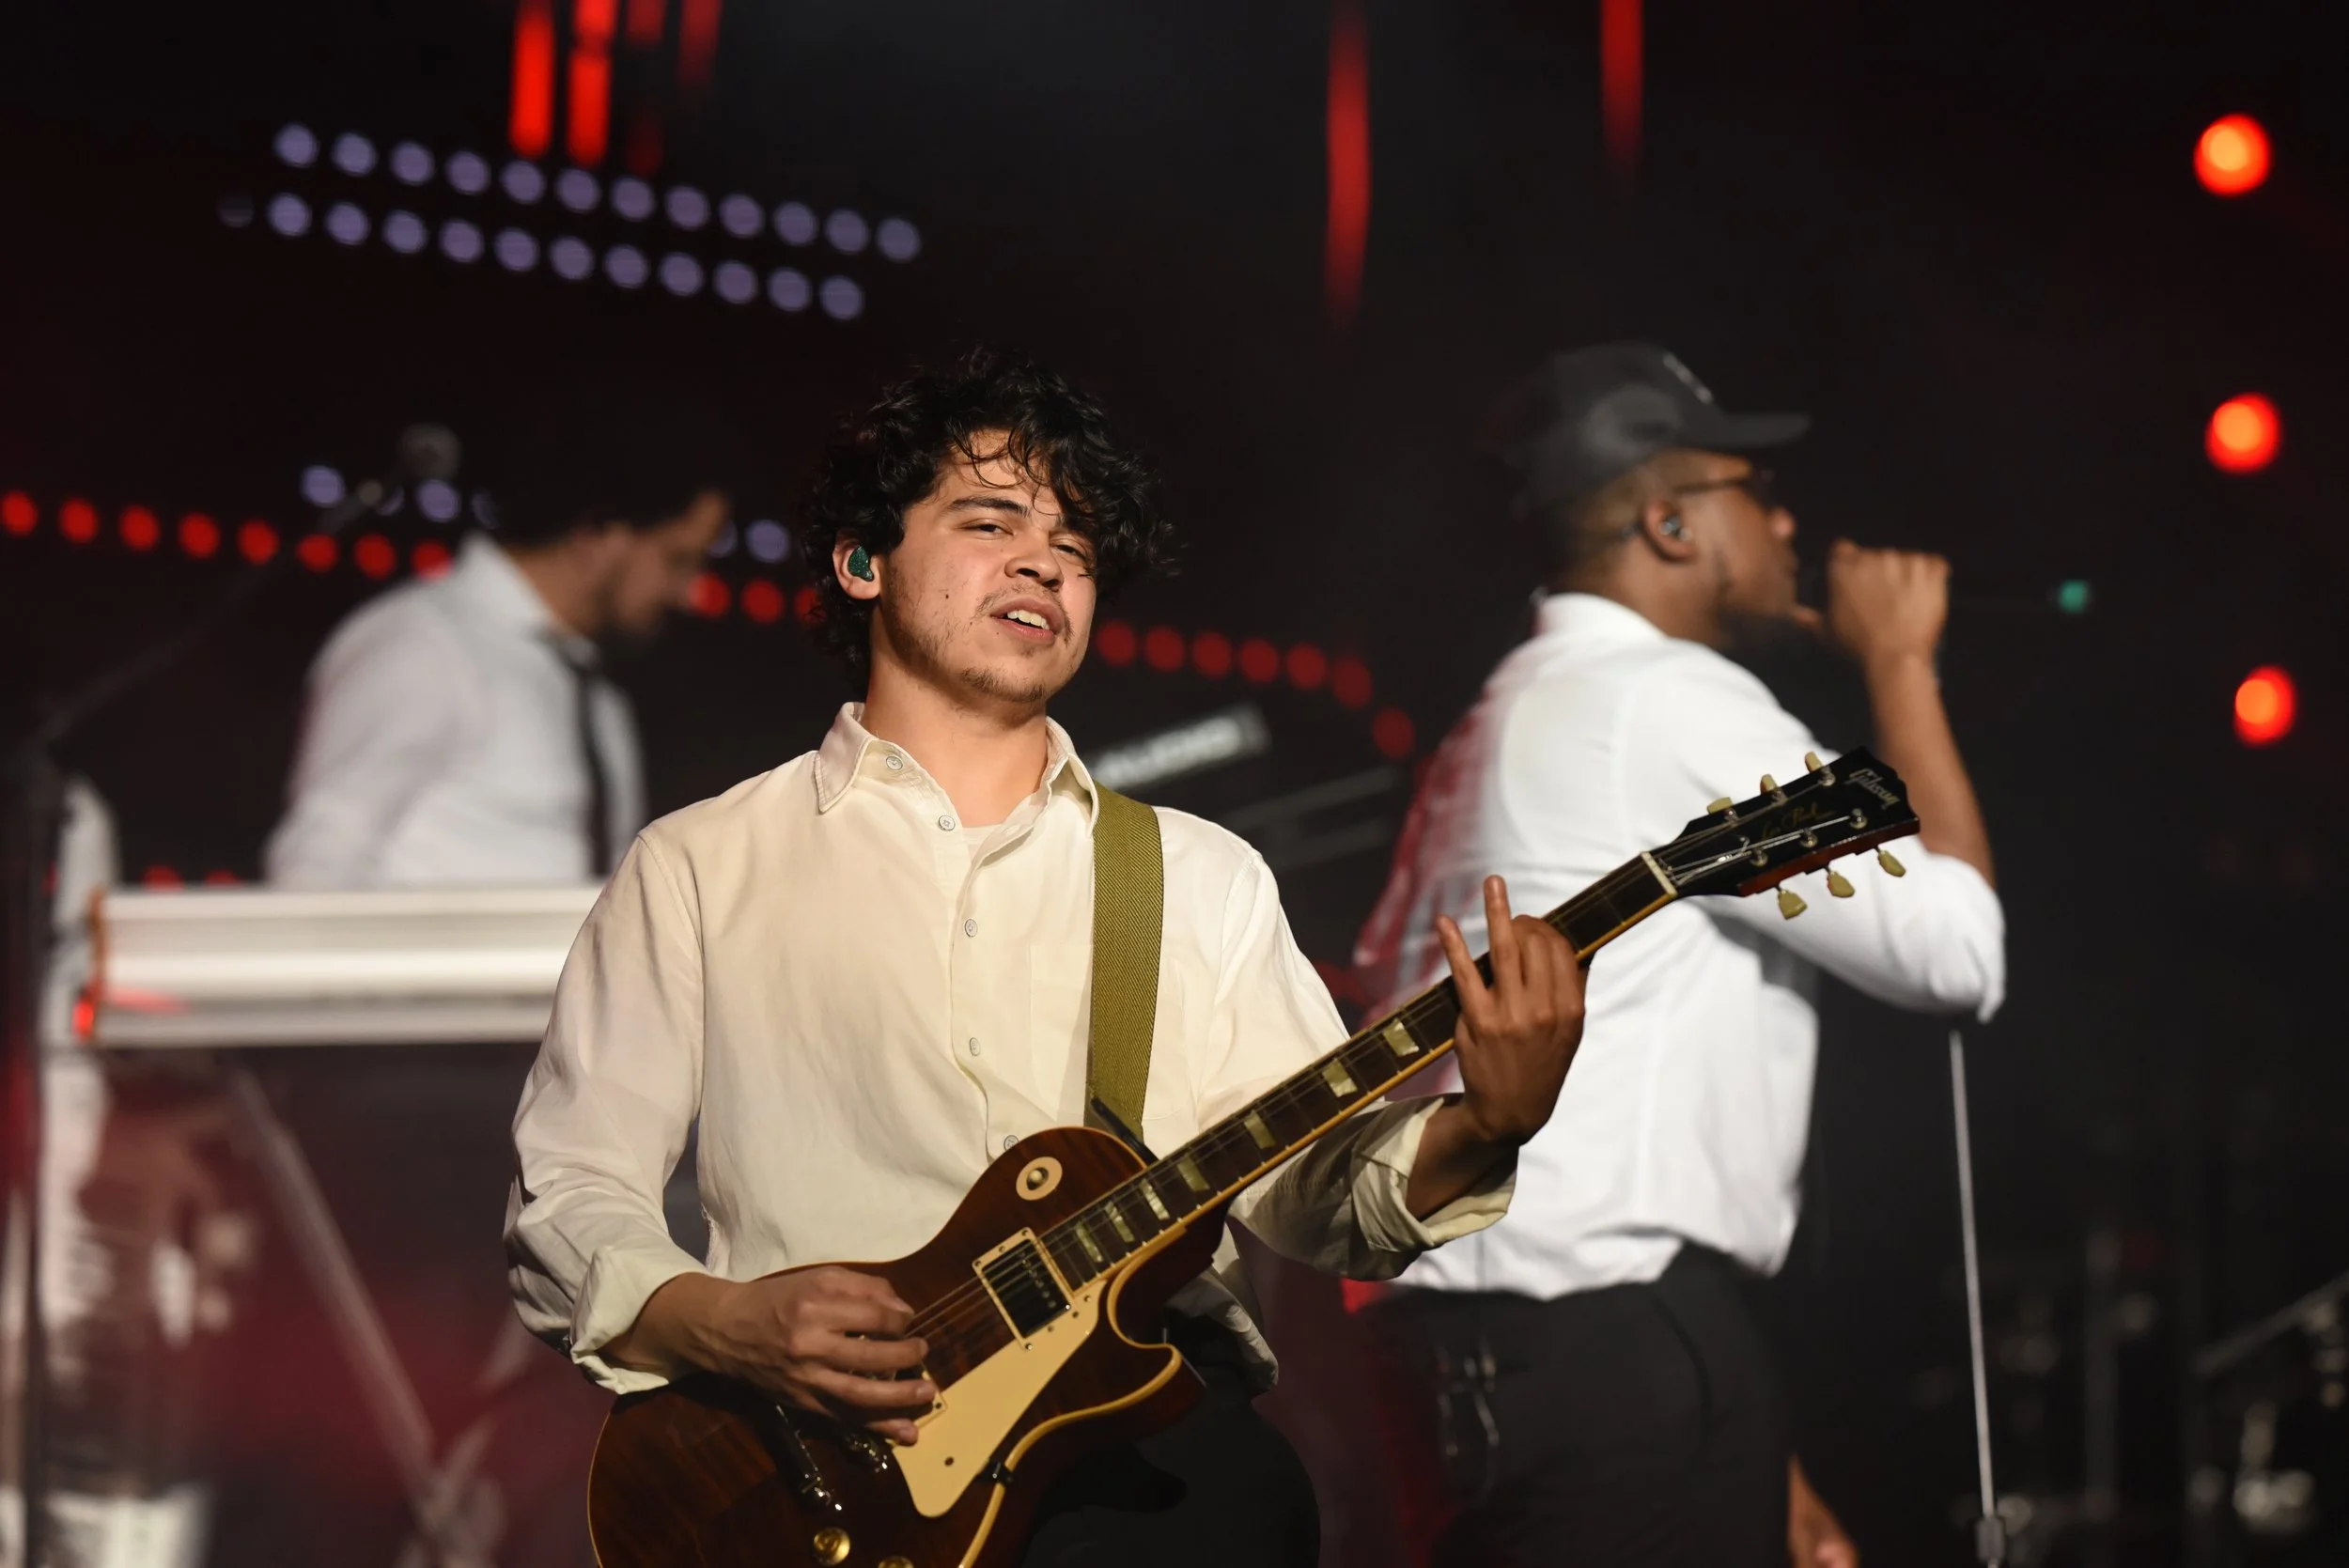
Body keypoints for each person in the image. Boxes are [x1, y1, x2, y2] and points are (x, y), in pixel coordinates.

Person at [503, 349, 1590, 1566]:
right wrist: (727, 1320)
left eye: (1075, 543)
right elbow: (571, 1190)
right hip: (819, 1475)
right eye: (991, 522)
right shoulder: (700, 862)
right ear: (862, 562)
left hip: (1141, 1459)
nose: (1045, 562)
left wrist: (1482, 1124)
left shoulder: (1197, 874)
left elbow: (1316, 1193)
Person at [1352, 342, 2005, 1568]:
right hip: (1611, 1350)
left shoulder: (1485, 727)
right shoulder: (1668, 700)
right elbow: (1955, 946)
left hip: (1457, 1361)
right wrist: (1900, 660)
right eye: (1755, 489)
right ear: (1670, 524)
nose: (1786, 522)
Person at [264, 421, 730, 888]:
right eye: (678, 559)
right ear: (597, 535)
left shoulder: (590, 687)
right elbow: (315, 869)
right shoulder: (421, 644)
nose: (689, 593)